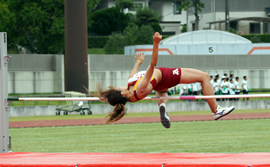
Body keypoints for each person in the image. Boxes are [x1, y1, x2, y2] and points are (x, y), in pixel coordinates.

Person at [95, 32, 235, 128]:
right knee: (204, 77)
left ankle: (163, 106)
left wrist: (138, 62)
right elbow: (153, 64)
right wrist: (156, 44)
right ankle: (216, 110)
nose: (118, 86)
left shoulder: (130, 88)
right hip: (165, 76)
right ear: (123, 94)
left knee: (161, 91)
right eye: (117, 89)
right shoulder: (140, 87)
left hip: (159, 84)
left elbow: (132, 75)